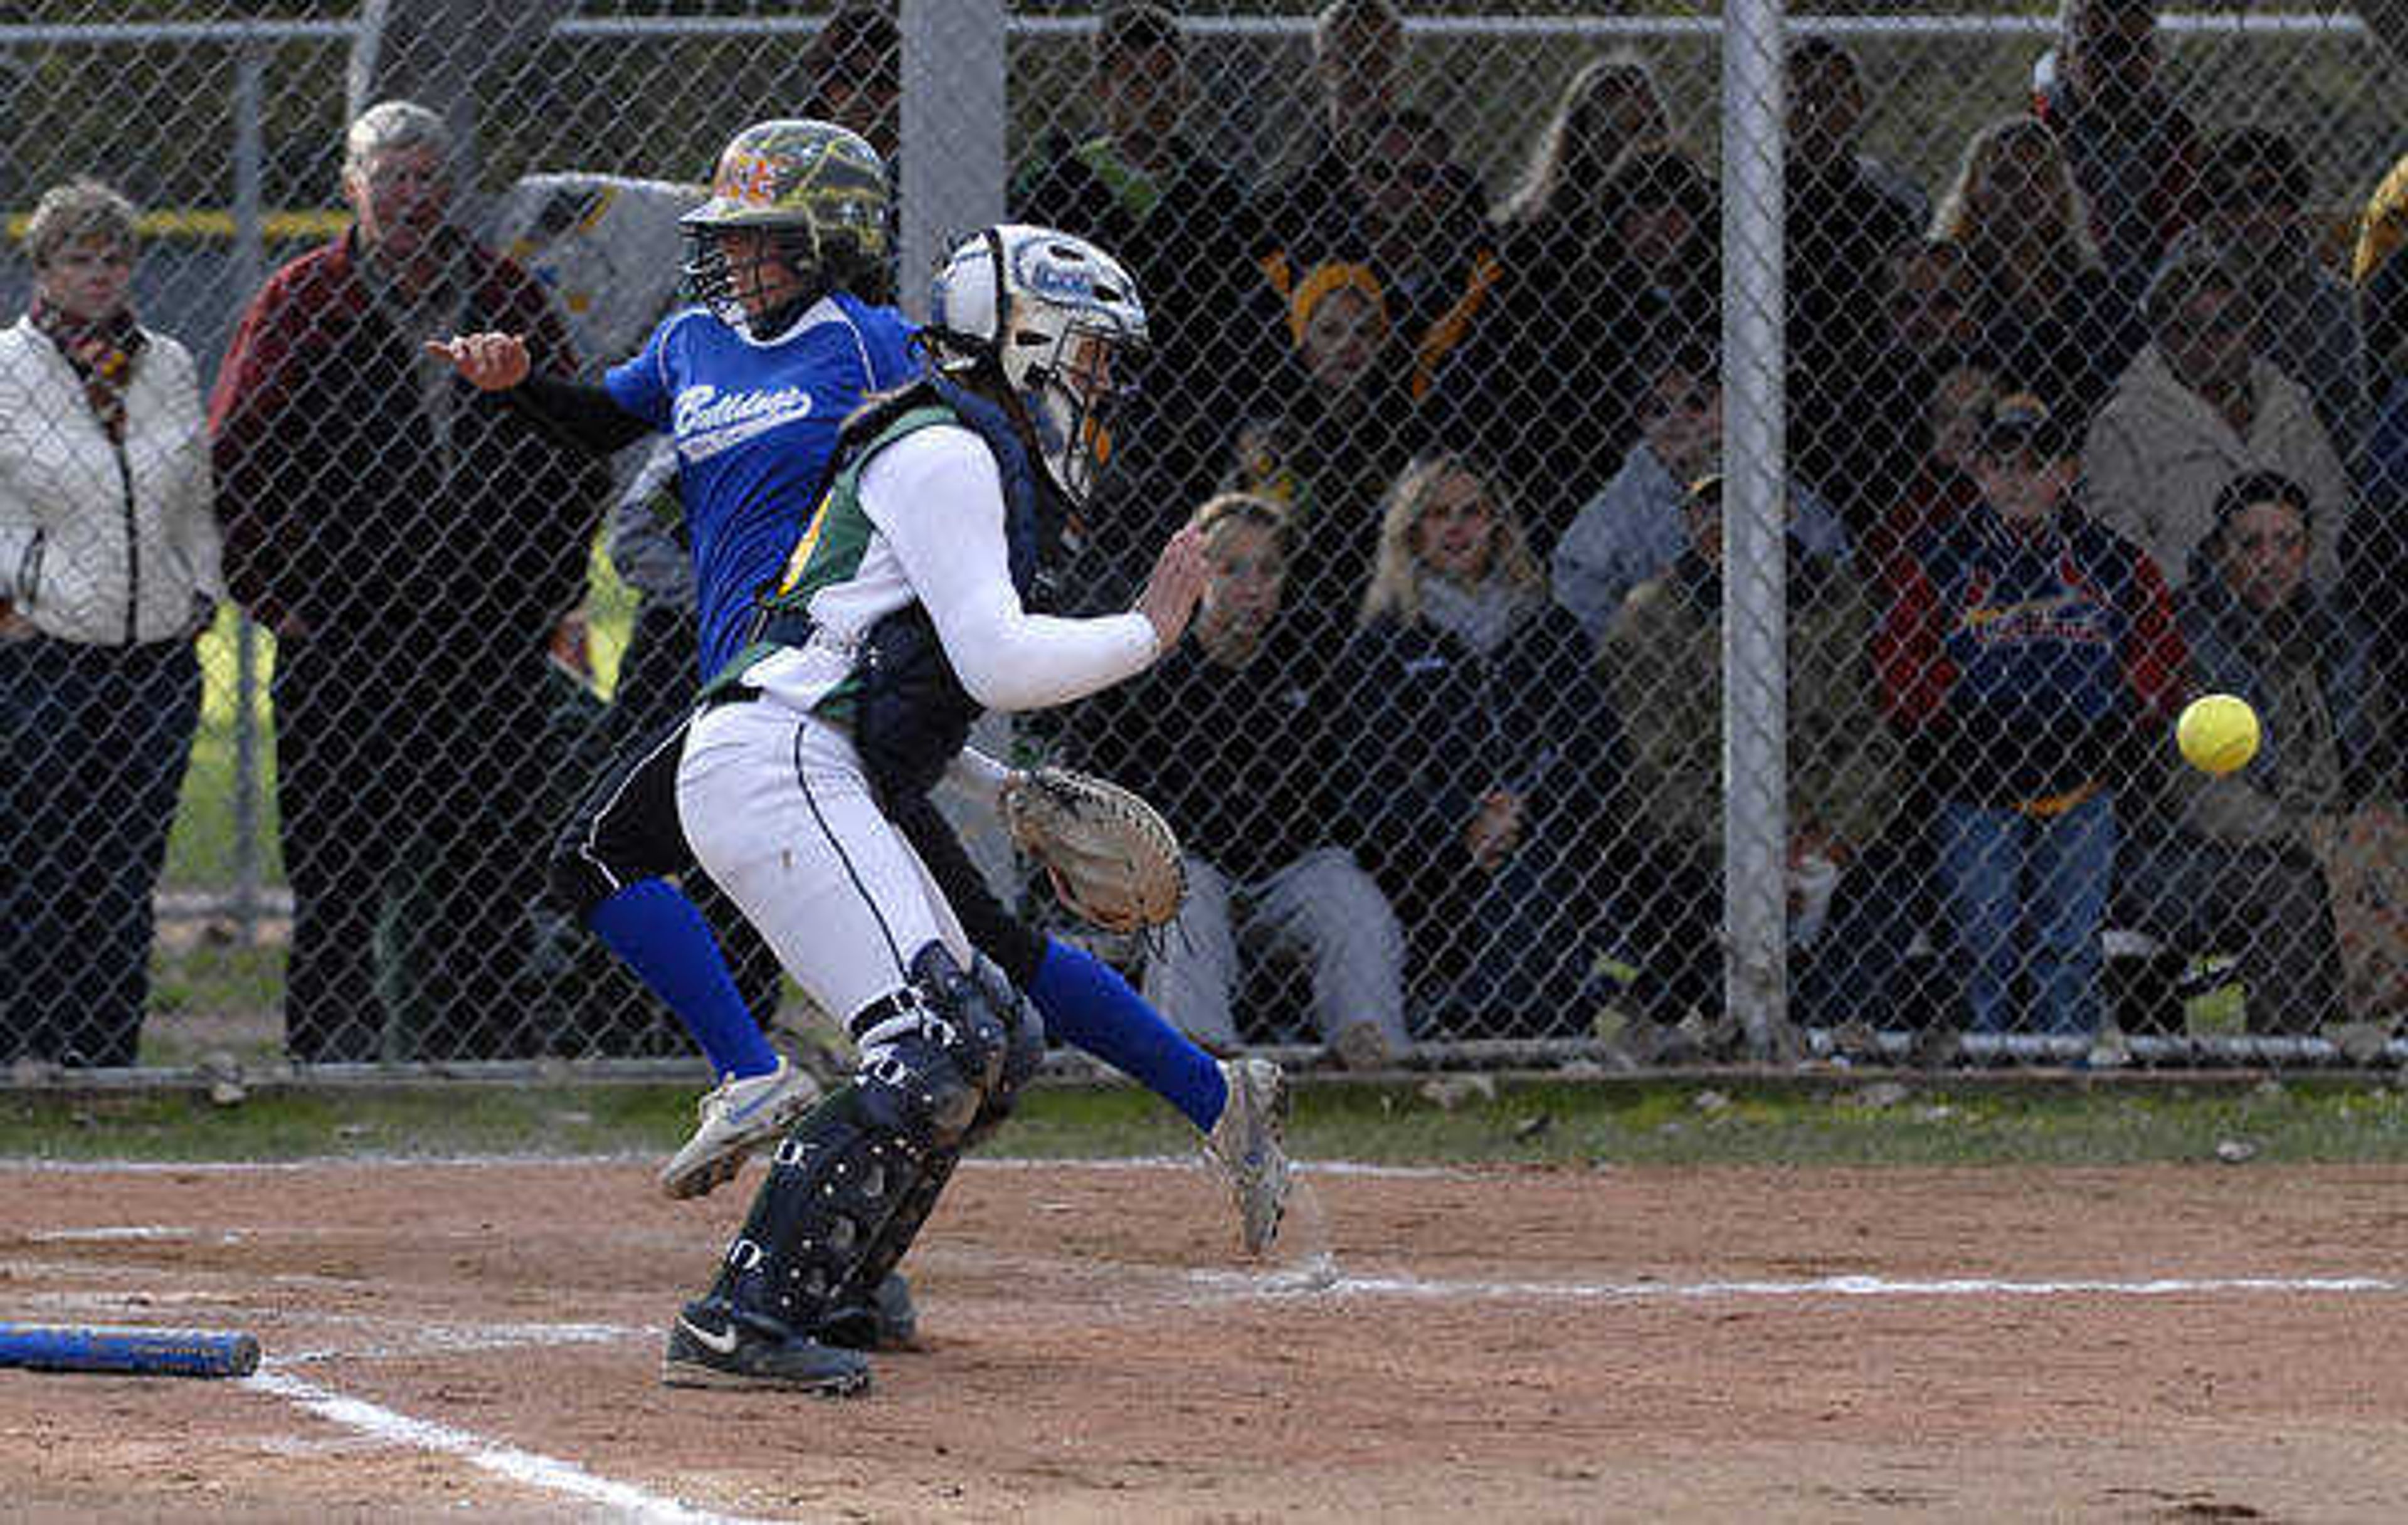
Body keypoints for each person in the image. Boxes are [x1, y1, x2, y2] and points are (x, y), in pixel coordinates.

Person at [433, 129, 1289, 1250]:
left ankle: (752, 1075)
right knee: (991, 949)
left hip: (816, 677)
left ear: (830, 243)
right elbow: (603, 420)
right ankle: (1218, 1098)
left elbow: (967, 439)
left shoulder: (873, 342)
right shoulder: (695, 339)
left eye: (765, 241)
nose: (738, 261)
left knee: (593, 854)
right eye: (729, 240)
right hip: (770, 690)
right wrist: (515, 387)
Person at [655, 224, 1225, 1392]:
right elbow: (998, 658)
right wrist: (1150, 634)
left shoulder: (968, 447)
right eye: (1089, 355)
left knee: (994, 1034)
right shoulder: (945, 448)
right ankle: (738, 1318)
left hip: (814, 757)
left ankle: (840, 1289)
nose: (1100, 384)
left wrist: (993, 784)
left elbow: (910, 675)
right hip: (777, 759)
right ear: (1025, 337)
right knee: (929, 1041)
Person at [211, 100, 614, 1063]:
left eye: (428, 177)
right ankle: (330, 1055)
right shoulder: (303, 302)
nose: (409, 196)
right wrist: (286, 599)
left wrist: (540, 592)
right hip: (344, 638)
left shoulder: (507, 300)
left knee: (490, 854)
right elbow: (237, 455)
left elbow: (573, 448)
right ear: (352, 187)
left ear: (453, 191)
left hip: (487, 638)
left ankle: (486, 1051)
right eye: (388, 175)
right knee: (338, 865)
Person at [1876, 393, 2185, 1039]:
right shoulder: (1938, 558)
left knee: (2067, 948)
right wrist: (1962, 717)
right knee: (1982, 947)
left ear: (2067, 472)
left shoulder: (2112, 561)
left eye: (2037, 461)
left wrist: (2115, 713)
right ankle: (1985, 1063)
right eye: (2001, 461)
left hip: (2081, 781)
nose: (2018, 478)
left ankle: (2063, 1066)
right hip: (1974, 782)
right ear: (1978, 470)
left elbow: (2160, 660)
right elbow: (1900, 669)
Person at [1070, 492, 1412, 1067]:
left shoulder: (1313, 654)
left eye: (1269, 569)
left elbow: (1352, 774)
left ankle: (1369, 1057)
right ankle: (1194, 1064)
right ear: (1200, 576)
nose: (1253, 586)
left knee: (1354, 902)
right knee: (1187, 893)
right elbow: (1093, 769)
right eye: (1231, 569)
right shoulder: (1154, 660)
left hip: (1290, 866)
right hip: (1189, 865)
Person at [0, 179, 220, 1070]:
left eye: (114, 258)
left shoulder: (165, 363)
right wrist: (14, 597)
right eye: (79, 259)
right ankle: (28, 1049)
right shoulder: (8, 369)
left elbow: (195, 492)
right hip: (45, 650)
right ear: (43, 270)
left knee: (127, 868)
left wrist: (199, 588)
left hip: (157, 653)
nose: (100, 275)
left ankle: (107, 1053)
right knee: (39, 858)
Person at [1328, 452, 1633, 1034]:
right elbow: (1363, 789)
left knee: (1539, 866)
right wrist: (1462, 818)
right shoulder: (1384, 642)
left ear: (1499, 525)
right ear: (1411, 530)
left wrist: (1521, 811)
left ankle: (1495, 1019)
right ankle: (1511, 1019)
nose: (1457, 528)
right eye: (1439, 514)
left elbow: (1598, 753)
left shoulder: (1546, 627)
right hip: (1429, 857)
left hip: (1545, 838)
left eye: (1473, 512)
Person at [1602, 472, 1901, 1048]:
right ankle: (1720, 1038)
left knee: (1890, 883)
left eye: (1748, 504)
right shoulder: (1649, 618)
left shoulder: (1840, 601)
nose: (1727, 525)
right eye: (1710, 510)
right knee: (1657, 881)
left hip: (1822, 833)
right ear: (1690, 522)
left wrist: (1829, 839)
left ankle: (1834, 1046)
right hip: (1707, 844)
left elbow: (1871, 741)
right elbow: (1655, 773)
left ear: (1786, 509)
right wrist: (1752, 850)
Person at [1011, 3, 1284, 593]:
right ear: (1104, 86)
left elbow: (1248, 322)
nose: (1151, 97)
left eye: (1164, 78)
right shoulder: (1059, 188)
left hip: (1196, 423)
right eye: (1134, 81)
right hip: (1090, 417)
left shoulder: (1216, 197)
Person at [2119, 472, 2384, 1034]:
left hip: (2324, 835)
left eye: (2287, 543)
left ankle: (2380, 1046)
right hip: (2186, 854)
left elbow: (2373, 761)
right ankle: (2288, 1058)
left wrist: (2369, 834)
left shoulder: (2339, 638)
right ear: (2219, 551)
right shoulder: (2184, 635)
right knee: (2292, 890)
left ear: (2308, 550)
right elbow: (2198, 794)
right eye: (2251, 544)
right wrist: (2310, 838)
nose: (2272, 560)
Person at [1426, 55, 1677, 554]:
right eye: (1612, 136)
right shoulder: (1524, 246)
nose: (1630, 152)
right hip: (1551, 461)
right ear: (1580, 143)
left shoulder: (1687, 231)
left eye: (1646, 132)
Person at [2084, 230, 2352, 594]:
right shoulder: (2124, 422)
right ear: (2160, 334)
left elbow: (2333, 510)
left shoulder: (2289, 405)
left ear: (2253, 329)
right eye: (2185, 330)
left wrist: (2300, 581)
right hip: (2184, 616)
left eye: (2224, 328)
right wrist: (2213, 590)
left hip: (2299, 606)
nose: (2205, 345)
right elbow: (2117, 543)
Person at [1551, 344, 1849, 645]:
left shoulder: (1777, 487)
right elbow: (1584, 620)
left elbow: (1835, 571)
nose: (1675, 419)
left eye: (1697, 403)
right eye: (1658, 409)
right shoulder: (1612, 514)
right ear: (1641, 421)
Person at [1223, 260, 1423, 625]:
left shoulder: (1402, 420)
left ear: (1382, 344)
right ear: (1303, 339)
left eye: (1364, 332)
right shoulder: (1275, 422)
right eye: (1330, 331)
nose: (1349, 345)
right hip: (1292, 588)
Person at [1784, 36, 1930, 524]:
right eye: (1795, 97)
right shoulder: (1749, 201)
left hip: (1870, 391)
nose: (1812, 111)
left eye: (1828, 96)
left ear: (1856, 105)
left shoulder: (1892, 207)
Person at [1929, 113, 2141, 431]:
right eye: (2005, 177)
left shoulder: (2096, 290)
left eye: (2039, 177)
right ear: (1975, 189)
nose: (2024, 191)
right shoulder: (1947, 288)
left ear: (2059, 193)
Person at [2200, 125, 2370, 466]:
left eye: (2266, 195)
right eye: (2231, 199)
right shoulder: (2183, 290)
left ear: (2292, 202)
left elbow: (2348, 417)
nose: (2252, 216)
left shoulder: (2331, 300)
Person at [2030, 0, 2206, 309]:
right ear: (2065, 58)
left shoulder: (2177, 134)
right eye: (2097, 48)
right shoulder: (2038, 133)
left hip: (2156, 304)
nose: (2115, 65)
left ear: (2155, 57)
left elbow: (2185, 239)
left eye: (2131, 48)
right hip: (2056, 307)